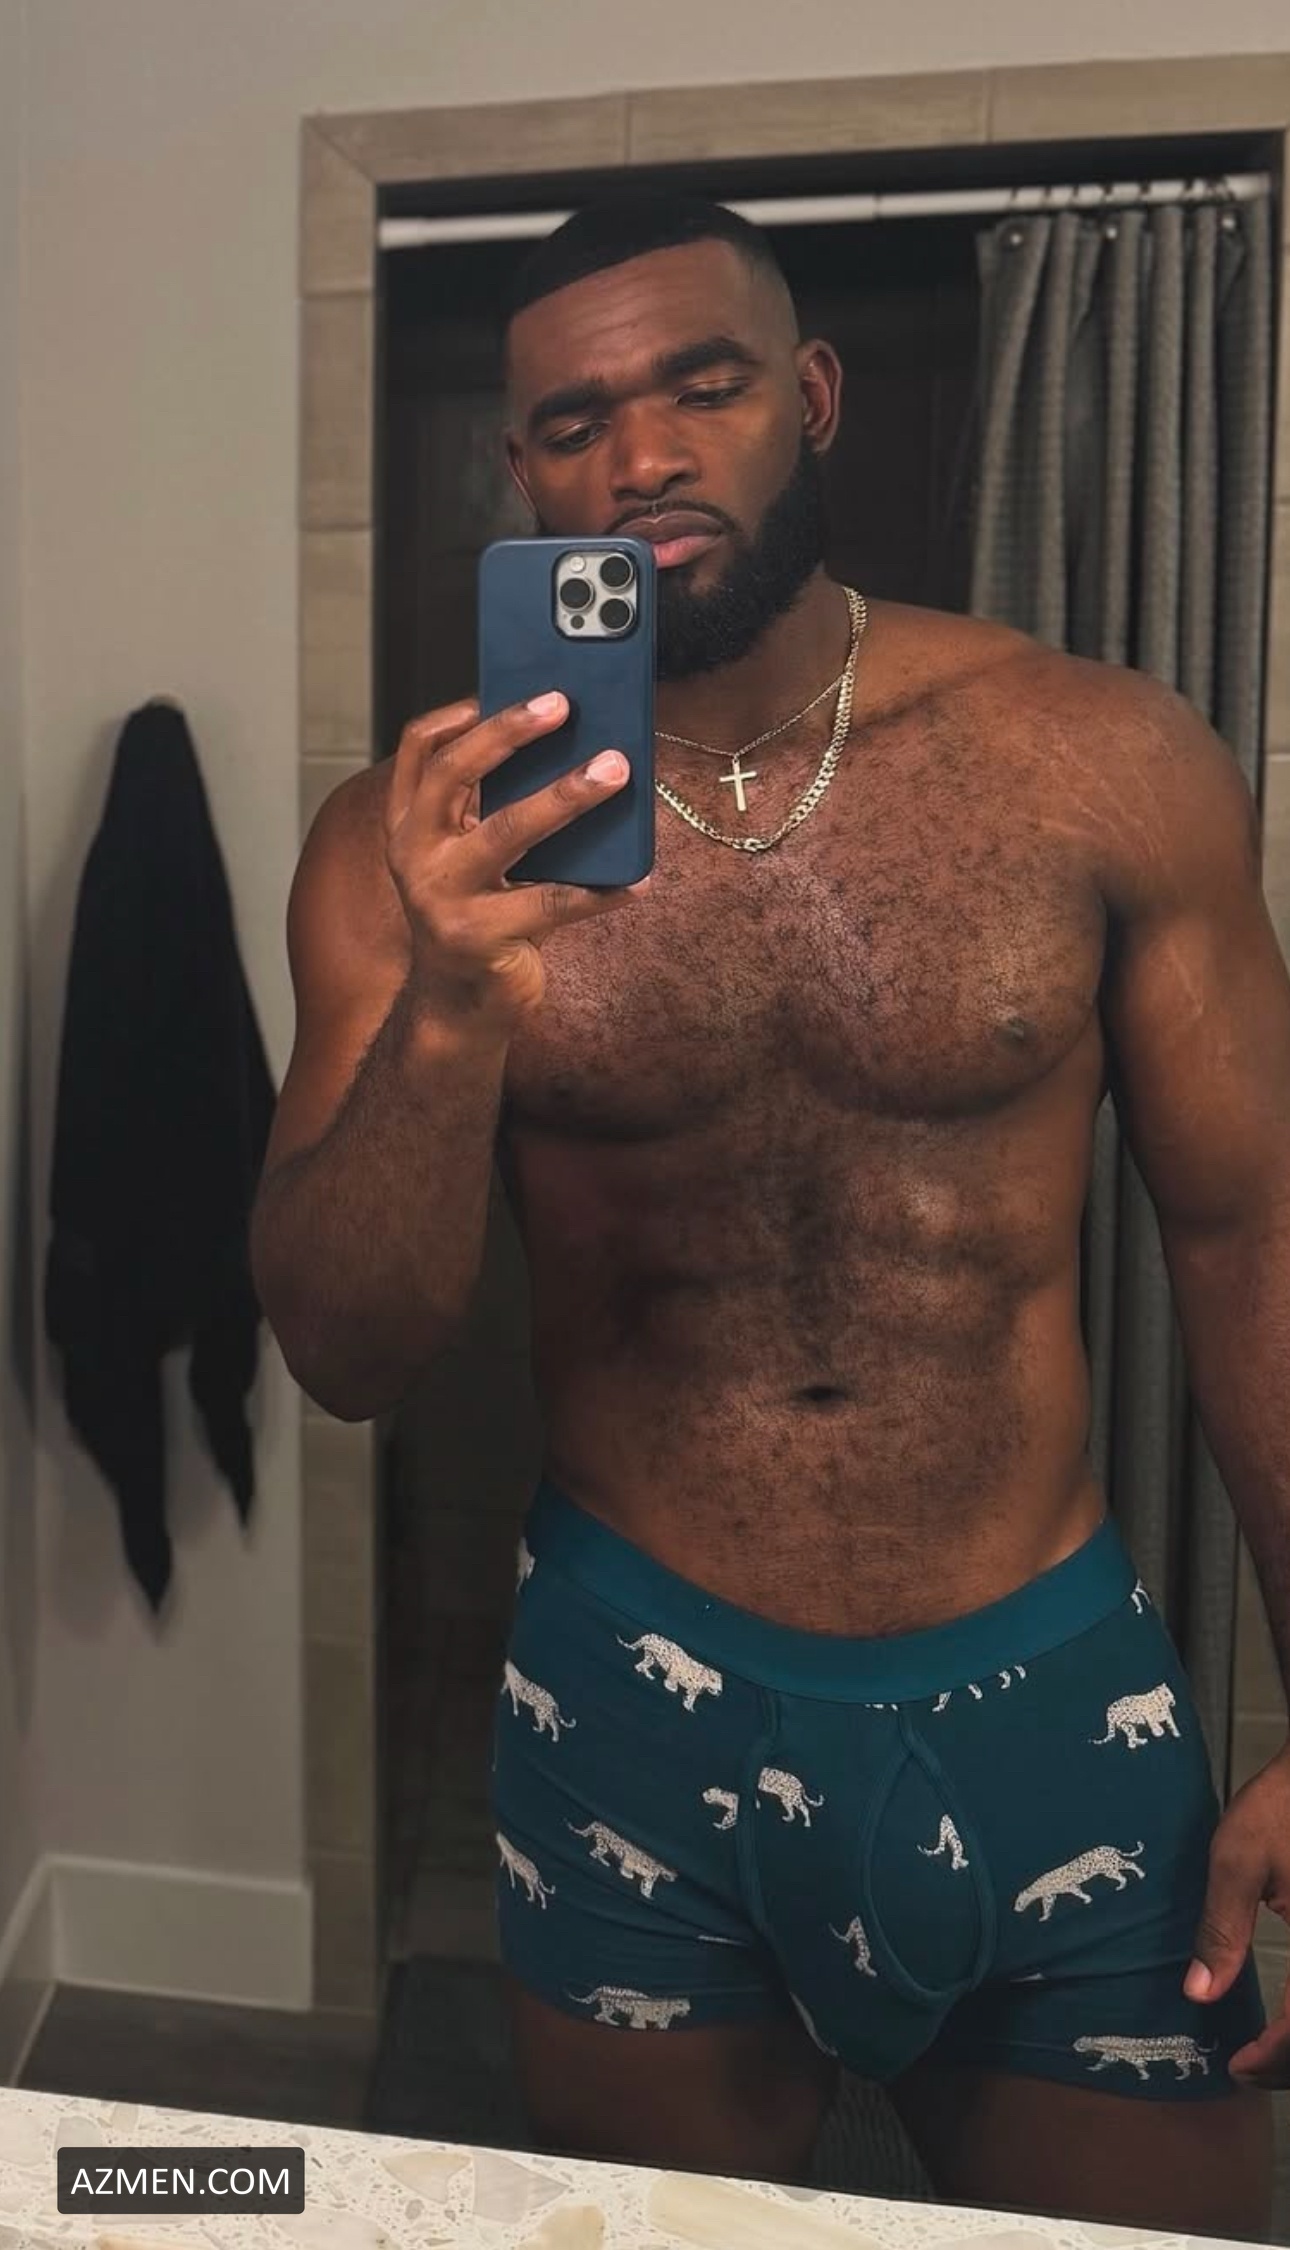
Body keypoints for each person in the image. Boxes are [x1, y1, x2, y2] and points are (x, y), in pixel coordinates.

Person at [250, 192, 1290, 2233]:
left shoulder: (1093, 757)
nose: (638, 457)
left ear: (807, 397)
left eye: (699, 387)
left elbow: (1253, 1240)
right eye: (573, 424)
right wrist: (450, 1004)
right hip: (631, 1694)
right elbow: (342, 1347)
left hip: (1048, 1686)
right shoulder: (406, 849)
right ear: (519, 469)